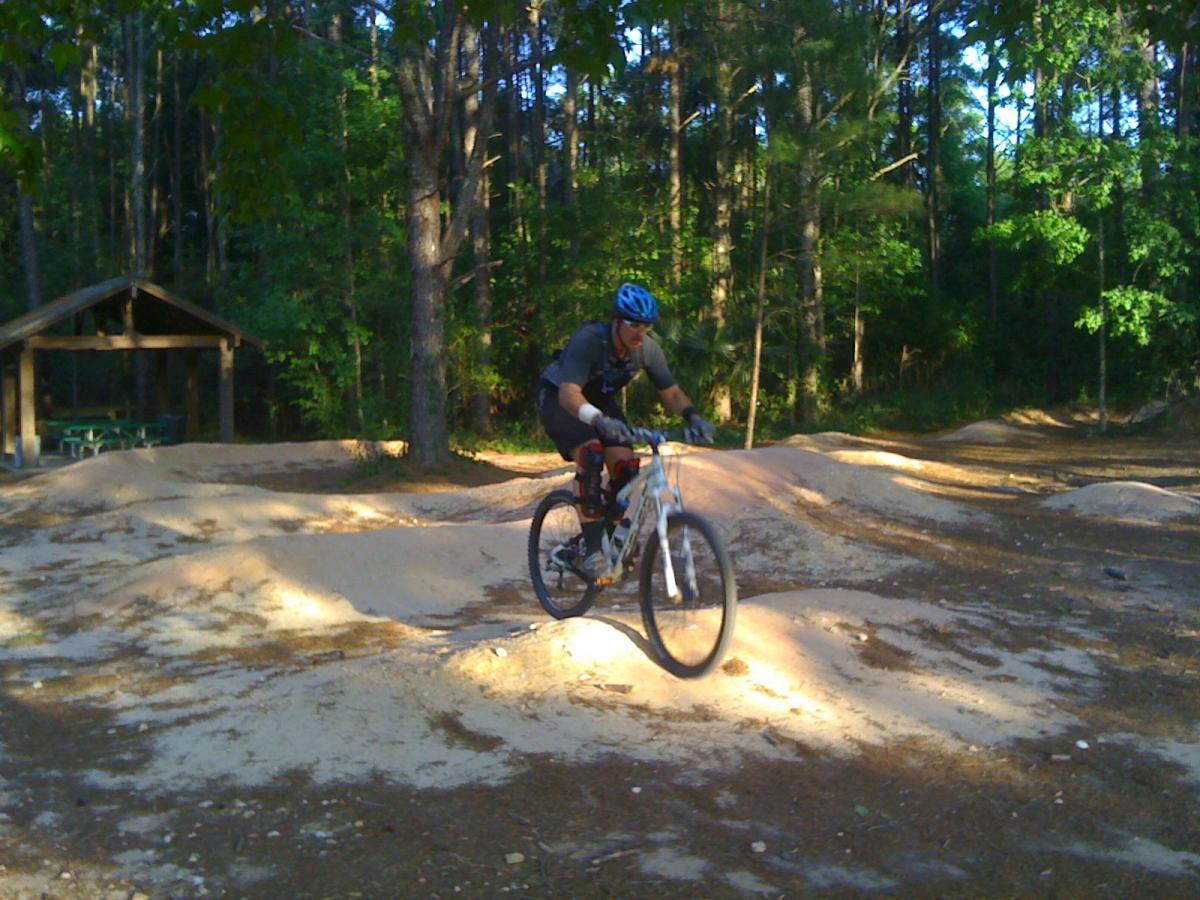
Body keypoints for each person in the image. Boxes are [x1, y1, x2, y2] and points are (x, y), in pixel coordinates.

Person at [536, 283, 716, 580]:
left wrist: (693, 417)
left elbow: (671, 393)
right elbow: (570, 395)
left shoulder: (647, 350)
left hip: (600, 401)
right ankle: (594, 550)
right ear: (617, 321)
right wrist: (598, 420)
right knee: (592, 454)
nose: (640, 332)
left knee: (626, 467)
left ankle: (608, 533)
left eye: (646, 326)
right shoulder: (590, 340)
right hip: (559, 397)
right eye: (633, 324)